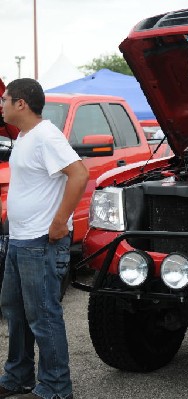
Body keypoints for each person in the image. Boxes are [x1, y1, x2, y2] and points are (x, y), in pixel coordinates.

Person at [0, 78, 89, 399]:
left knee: (43, 315)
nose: (2, 105)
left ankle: (55, 387)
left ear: (21, 103)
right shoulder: (25, 136)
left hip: (40, 243)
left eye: (5, 99)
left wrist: (59, 222)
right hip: (19, 240)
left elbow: (79, 173)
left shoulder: (46, 136)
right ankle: (18, 376)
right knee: (15, 309)